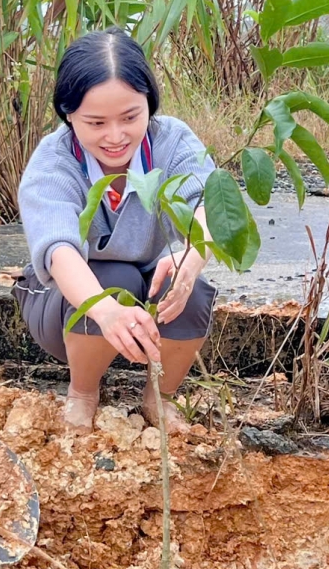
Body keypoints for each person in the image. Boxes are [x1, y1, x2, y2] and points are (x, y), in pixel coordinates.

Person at [15, 30, 216, 432]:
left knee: (189, 288)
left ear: (149, 104)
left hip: (146, 287)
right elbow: (59, 249)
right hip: (66, 303)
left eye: (130, 117)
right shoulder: (53, 162)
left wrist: (191, 258)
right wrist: (105, 310)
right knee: (115, 279)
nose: (115, 136)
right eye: (96, 122)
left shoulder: (172, 141)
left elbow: (207, 205)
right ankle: (83, 393)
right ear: (68, 114)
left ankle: (160, 398)